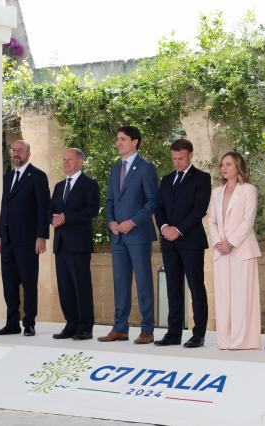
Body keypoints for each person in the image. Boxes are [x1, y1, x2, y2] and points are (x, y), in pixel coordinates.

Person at [98, 126, 158, 344]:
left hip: (139, 234)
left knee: (143, 282)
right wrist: (111, 222)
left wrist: (132, 222)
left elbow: (152, 201)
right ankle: (120, 328)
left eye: (122, 139)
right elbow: (110, 201)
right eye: (117, 139)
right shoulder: (115, 169)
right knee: (120, 282)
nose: (118, 143)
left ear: (135, 142)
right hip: (118, 237)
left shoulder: (146, 168)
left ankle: (147, 329)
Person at [154, 139, 211, 348]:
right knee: (173, 288)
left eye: (181, 158)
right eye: (174, 159)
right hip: (169, 243)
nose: (177, 162)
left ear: (190, 155)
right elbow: (158, 208)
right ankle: (174, 333)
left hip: (191, 242)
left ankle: (198, 334)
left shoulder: (202, 178)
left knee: (196, 287)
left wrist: (177, 230)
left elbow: (199, 210)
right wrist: (164, 228)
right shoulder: (166, 179)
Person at [0, 139, 50, 337]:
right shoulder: (8, 177)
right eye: (13, 150)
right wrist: (1, 235)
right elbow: (4, 209)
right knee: (9, 283)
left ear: (28, 153)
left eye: (19, 150)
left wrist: (42, 235)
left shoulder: (37, 176)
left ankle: (29, 323)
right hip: (8, 240)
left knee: (28, 282)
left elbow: (44, 208)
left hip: (28, 240)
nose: (15, 153)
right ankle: (12, 323)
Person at [208, 152, 262, 350]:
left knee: (242, 296)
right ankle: (225, 340)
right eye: (222, 164)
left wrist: (230, 243)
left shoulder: (249, 190)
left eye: (229, 164)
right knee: (223, 297)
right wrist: (219, 243)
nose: (224, 168)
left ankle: (243, 340)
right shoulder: (216, 192)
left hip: (242, 250)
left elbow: (248, 221)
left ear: (238, 166)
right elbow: (212, 220)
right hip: (221, 251)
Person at [50, 148, 100, 341]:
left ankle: (85, 327)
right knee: (65, 287)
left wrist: (66, 218)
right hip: (60, 245)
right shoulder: (59, 186)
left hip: (79, 244)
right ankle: (71, 325)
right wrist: (51, 218)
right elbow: (50, 210)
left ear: (80, 162)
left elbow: (92, 210)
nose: (65, 163)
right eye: (63, 160)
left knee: (81, 286)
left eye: (69, 159)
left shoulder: (90, 185)